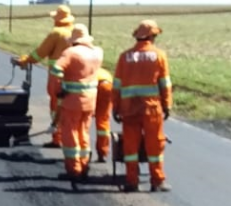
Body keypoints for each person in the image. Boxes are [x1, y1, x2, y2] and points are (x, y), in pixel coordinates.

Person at [112, 19, 173, 193]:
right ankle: (157, 180)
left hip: (129, 108)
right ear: (152, 36)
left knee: (130, 146)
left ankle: (132, 181)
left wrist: (115, 107)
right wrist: (167, 105)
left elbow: (117, 85)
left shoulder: (125, 56)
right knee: (154, 145)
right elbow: (165, 84)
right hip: (151, 108)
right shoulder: (159, 55)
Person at [10, 4, 76, 147]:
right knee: (72, 109)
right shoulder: (76, 32)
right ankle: (72, 139)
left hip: (57, 76)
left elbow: (40, 53)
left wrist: (25, 61)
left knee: (56, 106)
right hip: (76, 77)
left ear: (57, 19)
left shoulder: (56, 33)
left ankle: (57, 138)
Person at [51, 25, 103, 181]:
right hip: (90, 101)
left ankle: (74, 169)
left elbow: (56, 69)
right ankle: (84, 164)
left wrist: (59, 89)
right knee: (84, 133)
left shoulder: (70, 53)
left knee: (70, 133)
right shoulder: (97, 53)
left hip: (72, 101)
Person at [93, 67, 114, 162]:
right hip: (108, 85)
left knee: (83, 118)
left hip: (95, 86)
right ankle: (103, 152)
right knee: (103, 120)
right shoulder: (100, 69)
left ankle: (82, 153)